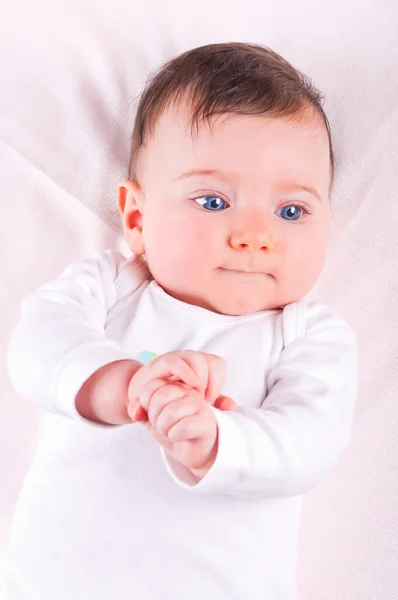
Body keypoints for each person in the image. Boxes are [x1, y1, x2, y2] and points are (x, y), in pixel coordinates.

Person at [4, 42, 357, 599]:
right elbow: (36, 347)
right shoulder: (111, 285)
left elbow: (309, 444)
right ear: (138, 217)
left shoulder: (309, 336)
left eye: (292, 211)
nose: (255, 235)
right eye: (213, 201)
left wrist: (215, 439)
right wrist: (123, 385)